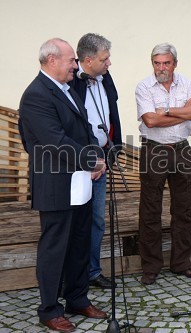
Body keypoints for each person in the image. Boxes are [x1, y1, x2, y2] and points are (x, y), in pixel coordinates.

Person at [19, 38, 107, 332]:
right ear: (52, 60)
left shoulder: (67, 89)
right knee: (55, 247)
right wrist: (91, 160)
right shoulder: (36, 95)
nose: (75, 65)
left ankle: (77, 298)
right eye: (71, 60)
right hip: (56, 184)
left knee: (80, 242)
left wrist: (97, 155)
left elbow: (85, 130)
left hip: (79, 180)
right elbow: (55, 141)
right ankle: (49, 309)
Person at [135, 42, 191, 285]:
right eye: (156, 63)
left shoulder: (186, 83)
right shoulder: (144, 87)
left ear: (175, 63)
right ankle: (151, 267)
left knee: (183, 211)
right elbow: (150, 121)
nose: (161, 67)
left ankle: (181, 263)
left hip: (182, 150)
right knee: (150, 211)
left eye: (166, 62)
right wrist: (180, 112)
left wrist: (163, 111)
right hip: (154, 151)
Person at [69, 33, 122, 289]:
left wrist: (113, 147)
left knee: (97, 219)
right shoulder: (71, 80)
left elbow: (112, 110)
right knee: (76, 219)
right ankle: (73, 275)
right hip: (79, 160)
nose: (109, 63)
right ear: (87, 60)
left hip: (102, 155)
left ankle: (92, 271)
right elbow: (72, 125)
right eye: (105, 58)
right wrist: (89, 158)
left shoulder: (104, 76)